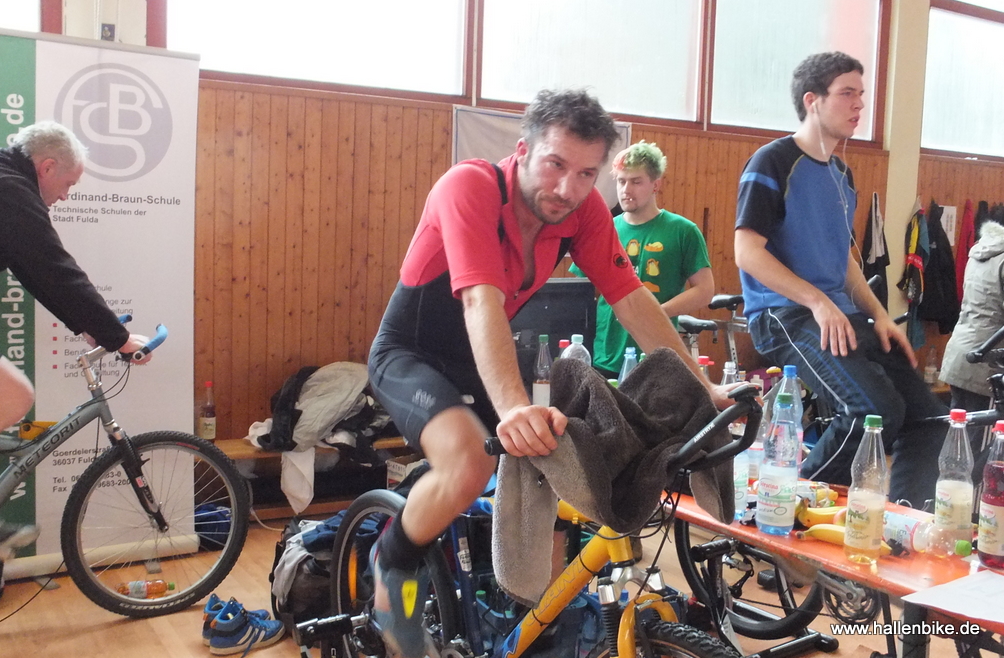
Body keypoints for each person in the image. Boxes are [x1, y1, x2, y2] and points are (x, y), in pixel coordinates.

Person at [368, 89, 735, 658]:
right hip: (411, 353)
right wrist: (514, 408)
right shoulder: (469, 187)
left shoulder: (583, 213)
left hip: (484, 351)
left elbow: (632, 301)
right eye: (555, 164)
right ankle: (391, 562)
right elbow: (480, 302)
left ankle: (538, 599)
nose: (567, 188)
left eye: (586, 174)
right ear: (522, 151)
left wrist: (703, 388)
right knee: (470, 461)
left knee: (570, 441)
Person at [734, 52, 946, 506]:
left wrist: (880, 314)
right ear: (812, 101)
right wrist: (817, 301)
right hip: (784, 314)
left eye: (861, 94)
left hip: (839, 312)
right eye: (847, 93)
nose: (859, 104)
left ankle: (901, 521)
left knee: (929, 419)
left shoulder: (842, 174)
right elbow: (747, 252)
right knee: (872, 412)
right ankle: (783, 509)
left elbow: (843, 260)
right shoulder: (772, 162)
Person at [0, 121, 150, 552]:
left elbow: (33, 271)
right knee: (13, 396)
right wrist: (118, 338)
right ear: (47, 167)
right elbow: (55, 268)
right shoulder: (7, 188)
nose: (66, 195)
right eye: (68, 184)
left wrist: (90, 325)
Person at [571, 141, 713, 377]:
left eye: (636, 182)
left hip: (656, 354)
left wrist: (656, 313)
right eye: (621, 181)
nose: (626, 189)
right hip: (606, 353)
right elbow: (581, 289)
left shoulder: (683, 231)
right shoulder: (603, 228)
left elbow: (705, 290)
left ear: (655, 184)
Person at [940, 208, 1004, 462]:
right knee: (981, 446)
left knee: (958, 437)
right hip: (987, 361)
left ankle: (948, 483)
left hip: (961, 351)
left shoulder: (979, 252)